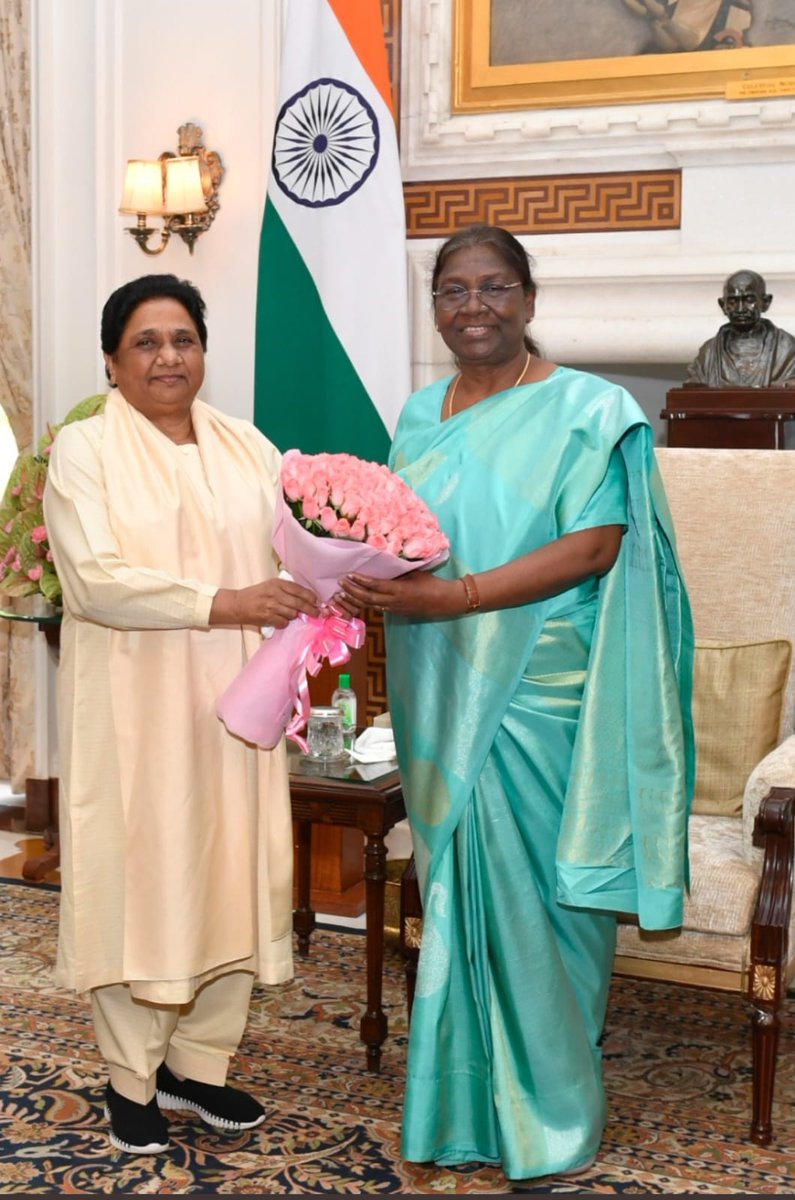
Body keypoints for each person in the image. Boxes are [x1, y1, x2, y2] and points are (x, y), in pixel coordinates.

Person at [340, 224, 695, 1182]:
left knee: (543, 906)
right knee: (455, 895)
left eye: (493, 287)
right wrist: (354, 578)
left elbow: (594, 545)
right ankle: (462, 1115)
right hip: (437, 683)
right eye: (453, 291)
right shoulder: (419, 415)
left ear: (529, 300)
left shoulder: (589, 408)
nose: (473, 307)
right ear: (437, 309)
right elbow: (399, 538)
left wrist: (453, 596)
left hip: (544, 687)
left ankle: (553, 1122)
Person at [42, 274, 324, 1156]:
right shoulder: (84, 449)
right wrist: (229, 600)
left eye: (183, 340)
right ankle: (131, 1079)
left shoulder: (250, 446)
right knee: (145, 877)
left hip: (239, 700)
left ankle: (199, 1066)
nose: (168, 357)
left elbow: (301, 549)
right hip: (136, 703)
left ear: (204, 351)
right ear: (112, 362)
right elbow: (95, 580)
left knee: (231, 870)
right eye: (146, 343)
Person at [685, 269, 795, 387]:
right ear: (723, 305)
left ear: (765, 302)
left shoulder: (787, 348)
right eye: (732, 301)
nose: (740, 309)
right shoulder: (708, 353)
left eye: (749, 300)